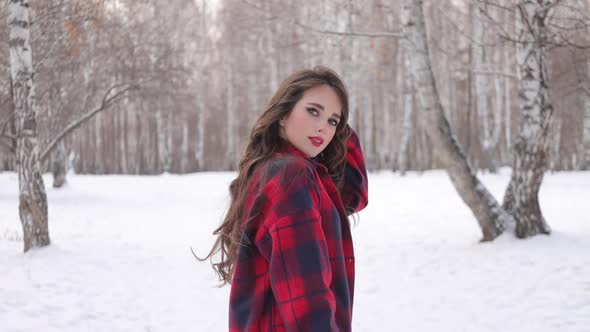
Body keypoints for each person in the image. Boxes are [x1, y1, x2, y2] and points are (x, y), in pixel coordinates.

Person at [203, 66, 369, 331]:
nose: (322, 128)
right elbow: (307, 294)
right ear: (283, 114)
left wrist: (336, 123)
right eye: (313, 111)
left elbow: (352, 194)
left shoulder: (274, 170)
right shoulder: (292, 176)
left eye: (332, 121)